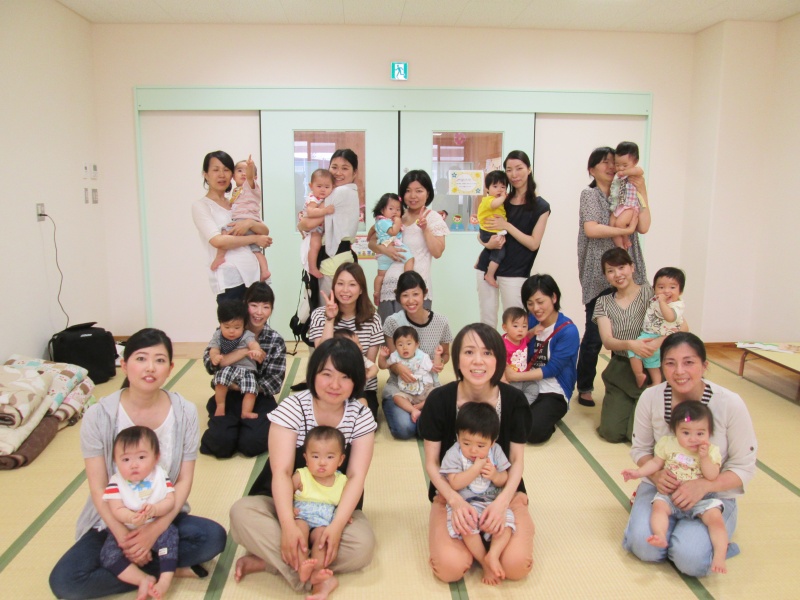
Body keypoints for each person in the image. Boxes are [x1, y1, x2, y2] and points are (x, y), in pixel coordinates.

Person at [49, 329, 227, 600]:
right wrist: (124, 536)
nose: (150, 367)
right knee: (65, 583)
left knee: (213, 538)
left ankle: (129, 568)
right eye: (141, 358)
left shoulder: (184, 412)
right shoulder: (100, 415)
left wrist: (153, 531)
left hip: (163, 515)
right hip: (113, 520)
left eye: (159, 360)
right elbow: (98, 488)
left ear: (170, 368)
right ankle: (165, 568)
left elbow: (184, 480)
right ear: (124, 364)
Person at [228, 338, 377, 599]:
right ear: (313, 374)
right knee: (241, 513)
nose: (335, 385)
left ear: (356, 381)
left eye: (345, 377)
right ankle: (315, 575)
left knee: (362, 547)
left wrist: (336, 527)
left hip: (333, 509)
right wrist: (287, 525)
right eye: (327, 374)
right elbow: (282, 473)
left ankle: (274, 562)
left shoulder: (360, 415)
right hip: (284, 505)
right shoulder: (293, 407)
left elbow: (356, 477)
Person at [622, 332, 758, 577]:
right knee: (645, 548)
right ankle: (670, 533)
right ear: (661, 365)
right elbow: (641, 449)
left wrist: (705, 485)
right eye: (670, 363)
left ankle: (706, 543)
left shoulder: (730, 403)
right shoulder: (651, 397)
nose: (679, 371)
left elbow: (743, 467)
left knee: (691, 561)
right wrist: (657, 476)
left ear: (704, 365)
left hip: (712, 495)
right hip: (662, 489)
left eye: (689, 362)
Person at [418, 323, 534, 584]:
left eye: (487, 353)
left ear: (499, 359)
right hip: (452, 495)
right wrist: (454, 501)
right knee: (450, 568)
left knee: (516, 567)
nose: (478, 361)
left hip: (503, 492)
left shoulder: (514, 401)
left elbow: (517, 461)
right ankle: (480, 553)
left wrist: (503, 501)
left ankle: (494, 545)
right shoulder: (439, 400)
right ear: (457, 359)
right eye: (469, 352)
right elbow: (432, 464)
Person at [576, 146, 651, 407]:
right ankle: (585, 386)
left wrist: (643, 191)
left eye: (613, 162)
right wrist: (624, 229)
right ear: (591, 169)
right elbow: (592, 229)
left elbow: (644, 226)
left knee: (638, 326)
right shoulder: (590, 194)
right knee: (595, 335)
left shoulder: (626, 190)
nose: (610, 167)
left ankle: (636, 380)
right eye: (604, 162)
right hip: (598, 272)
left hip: (629, 266)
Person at [622, 401, 728, 574]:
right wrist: (638, 473)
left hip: (701, 499)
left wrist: (704, 459)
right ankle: (660, 535)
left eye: (700, 433)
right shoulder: (668, 444)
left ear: (709, 432)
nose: (693, 438)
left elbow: (712, 475)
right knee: (658, 507)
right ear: (675, 430)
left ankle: (720, 556)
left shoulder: (711, 451)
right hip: (669, 495)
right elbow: (655, 463)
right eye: (686, 433)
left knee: (716, 521)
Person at [200, 282, 286, 458]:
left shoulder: (275, 340)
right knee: (220, 444)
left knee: (252, 444)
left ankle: (241, 424)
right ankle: (227, 421)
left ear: (271, 309)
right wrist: (242, 352)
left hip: (258, 396)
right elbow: (209, 363)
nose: (259, 312)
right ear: (245, 305)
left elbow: (274, 383)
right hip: (227, 394)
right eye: (254, 305)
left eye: (265, 307)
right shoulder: (227, 330)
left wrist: (245, 387)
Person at [594, 248, 668, 443]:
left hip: (653, 366)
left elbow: (677, 325)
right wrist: (630, 345)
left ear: (632, 267)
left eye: (621, 267)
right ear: (605, 275)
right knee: (611, 433)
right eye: (611, 270)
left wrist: (656, 343)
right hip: (622, 367)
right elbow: (607, 340)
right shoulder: (603, 302)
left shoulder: (651, 293)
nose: (617, 274)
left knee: (637, 436)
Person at [439, 402, 515, 586]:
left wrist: (495, 476)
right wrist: (475, 468)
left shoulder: (496, 452)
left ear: (492, 442)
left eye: (481, 445)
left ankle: (493, 555)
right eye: (466, 443)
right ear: (458, 437)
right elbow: (454, 483)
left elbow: (505, 478)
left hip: (492, 503)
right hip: (465, 504)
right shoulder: (454, 453)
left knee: (506, 524)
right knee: (466, 526)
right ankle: (484, 561)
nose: (473, 450)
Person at [475, 151, 550, 329]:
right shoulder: (501, 201)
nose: (514, 174)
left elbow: (533, 244)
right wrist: (487, 244)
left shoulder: (540, 206)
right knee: (487, 323)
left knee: (516, 325)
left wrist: (507, 226)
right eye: (509, 170)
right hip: (487, 266)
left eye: (519, 168)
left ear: (529, 169)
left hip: (516, 272)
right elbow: (482, 230)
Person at [101, 426, 178, 600]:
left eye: (142, 457)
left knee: (171, 536)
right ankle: (142, 579)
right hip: (127, 531)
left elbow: (170, 500)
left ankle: (164, 581)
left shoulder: (159, 475)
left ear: (156, 457)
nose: (134, 464)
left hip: (156, 526)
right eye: (126, 459)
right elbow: (116, 509)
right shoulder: (116, 481)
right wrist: (130, 517)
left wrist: (155, 509)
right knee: (108, 555)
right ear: (115, 461)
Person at [504, 274, 580, 444]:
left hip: (553, 389)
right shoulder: (529, 321)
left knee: (533, 431)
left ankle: (547, 418)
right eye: (530, 303)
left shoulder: (568, 331)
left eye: (540, 302)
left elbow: (552, 369)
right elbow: (510, 342)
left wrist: (516, 376)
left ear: (554, 297)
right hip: (525, 382)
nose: (535, 308)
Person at [192, 150, 272, 304]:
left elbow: (265, 231)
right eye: (216, 170)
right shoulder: (201, 206)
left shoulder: (238, 202)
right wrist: (254, 238)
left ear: (231, 175)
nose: (222, 175)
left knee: (257, 319)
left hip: (254, 276)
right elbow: (218, 241)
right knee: (233, 319)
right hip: (230, 280)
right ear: (206, 174)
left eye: (226, 170)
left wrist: (249, 223)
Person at [369, 170, 448, 321]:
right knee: (388, 333)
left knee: (414, 334)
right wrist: (385, 250)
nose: (413, 196)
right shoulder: (396, 215)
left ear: (428, 193)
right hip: (389, 287)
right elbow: (372, 242)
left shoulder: (433, 218)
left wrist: (425, 229)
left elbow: (437, 252)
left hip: (415, 291)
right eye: (408, 191)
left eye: (419, 191)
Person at [381, 271, 452, 440]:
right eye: (405, 295)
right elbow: (391, 359)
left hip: (428, 387)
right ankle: (407, 412)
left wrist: (440, 362)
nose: (411, 300)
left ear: (424, 293)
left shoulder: (441, 322)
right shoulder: (392, 322)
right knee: (405, 428)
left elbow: (446, 354)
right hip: (400, 387)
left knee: (436, 427)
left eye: (415, 294)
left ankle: (421, 414)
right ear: (398, 297)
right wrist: (398, 367)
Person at [307, 263, 383, 419]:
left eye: (352, 285)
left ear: (361, 289)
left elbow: (368, 363)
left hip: (362, 387)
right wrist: (330, 319)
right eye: (340, 284)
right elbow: (321, 356)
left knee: (363, 422)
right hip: (329, 387)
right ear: (334, 286)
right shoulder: (319, 315)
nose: (345, 290)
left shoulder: (372, 318)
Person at [299, 149, 361, 302]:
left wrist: (301, 224)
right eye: (334, 167)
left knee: (327, 308)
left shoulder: (339, 192)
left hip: (333, 261)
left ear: (354, 173)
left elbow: (306, 224)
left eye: (344, 168)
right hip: (342, 257)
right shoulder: (350, 192)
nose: (338, 173)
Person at [292, 426, 348, 592]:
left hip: (323, 523)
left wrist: (346, 515)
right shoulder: (301, 475)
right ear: (306, 458)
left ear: (340, 460)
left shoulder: (342, 481)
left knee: (323, 540)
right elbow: (284, 491)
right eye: (315, 456)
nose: (322, 462)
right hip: (301, 516)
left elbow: (345, 504)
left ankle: (317, 572)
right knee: (299, 531)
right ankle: (302, 566)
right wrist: (288, 508)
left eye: (330, 457)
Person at [210, 155, 270, 281]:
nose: (243, 173)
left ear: (255, 177)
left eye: (246, 171)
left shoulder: (249, 186)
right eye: (239, 170)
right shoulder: (236, 192)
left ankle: (220, 256)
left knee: (225, 230)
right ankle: (265, 270)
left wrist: (250, 167)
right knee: (256, 250)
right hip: (246, 222)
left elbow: (249, 177)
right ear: (233, 176)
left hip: (245, 220)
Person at [630, 267, 686, 388]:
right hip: (648, 334)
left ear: (680, 291)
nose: (666, 291)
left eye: (672, 287)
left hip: (664, 337)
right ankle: (653, 381)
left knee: (635, 351)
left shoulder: (677, 305)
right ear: (654, 289)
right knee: (650, 362)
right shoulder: (655, 299)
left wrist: (662, 302)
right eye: (661, 287)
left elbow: (670, 317)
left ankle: (641, 375)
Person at [207, 300, 263, 420]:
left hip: (247, 370)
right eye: (227, 327)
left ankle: (246, 411)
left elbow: (253, 344)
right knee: (220, 380)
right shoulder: (218, 335)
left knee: (251, 388)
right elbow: (213, 349)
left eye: (237, 327)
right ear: (220, 324)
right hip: (228, 367)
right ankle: (220, 405)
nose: (231, 331)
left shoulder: (247, 335)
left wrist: (256, 350)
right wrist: (215, 356)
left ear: (244, 325)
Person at [378, 326, 443, 427]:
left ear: (417, 345)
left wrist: (437, 355)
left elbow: (435, 368)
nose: (404, 347)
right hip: (406, 391)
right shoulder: (395, 356)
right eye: (400, 344)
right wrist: (382, 356)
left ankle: (420, 405)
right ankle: (413, 410)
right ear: (395, 346)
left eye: (409, 344)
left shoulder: (422, 357)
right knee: (396, 397)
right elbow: (383, 366)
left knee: (437, 394)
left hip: (425, 389)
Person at [372, 193, 414, 304]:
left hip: (382, 255)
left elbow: (372, 231)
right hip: (394, 247)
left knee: (381, 275)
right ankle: (408, 281)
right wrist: (398, 222)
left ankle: (377, 292)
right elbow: (393, 232)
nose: (395, 212)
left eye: (398, 209)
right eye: (391, 209)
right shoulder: (384, 222)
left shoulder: (379, 221)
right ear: (382, 210)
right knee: (410, 259)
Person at [299, 168, 336, 280]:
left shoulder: (327, 198)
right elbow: (310, 212)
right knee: (315, 244)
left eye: (327, 187)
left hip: (318, 228)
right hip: (313, 229)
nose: (323, 190)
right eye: (319, 186)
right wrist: (325, 211)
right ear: (311, 186)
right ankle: (312, 268)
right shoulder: (313, 198)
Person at [475, 170, 509, 288]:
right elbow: (494, 204)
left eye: (503, 187)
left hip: (490, 231)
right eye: (495, 186)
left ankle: (479, 262)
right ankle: (489, 274)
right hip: (488, 231)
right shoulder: (489, 200)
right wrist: (503, 197)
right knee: (500, 252)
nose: (499, 190)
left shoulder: (499, 200)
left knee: (491, 250)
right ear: (487, 188)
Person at [500, 306, 539, 405]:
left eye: (524, 326)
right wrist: (503, 379)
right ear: (505, 327)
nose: (520, 330)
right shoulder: (502, 344)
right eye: (515, 326)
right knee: (511, 396)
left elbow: (529, 335)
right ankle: (514, 407)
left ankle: (522, 406)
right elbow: (499, 362)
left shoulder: (523, 339)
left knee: (534, 389)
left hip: (523, 377)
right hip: (510, 380)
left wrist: (534, 330)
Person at [609, 142, 644, 250]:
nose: (620, 168)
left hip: (630, 206)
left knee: (620, 224)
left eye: (625, 165)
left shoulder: (633, 173)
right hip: (619, 206)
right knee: (612, 225)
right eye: (617, 165)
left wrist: (625, 172)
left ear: (635, 162)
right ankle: (621, 247)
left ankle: (625, 239)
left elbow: (640, 170)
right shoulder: (617, 175)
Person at [332, 328, 378, 410]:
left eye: (359, 342)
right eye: (355, 344)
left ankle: (363, 416)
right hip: (340, 391)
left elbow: (375, 368)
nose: (360, 346)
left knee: (363, 405)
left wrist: (366, 376)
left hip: (357, 391)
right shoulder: (336, 361)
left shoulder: (361, 358)